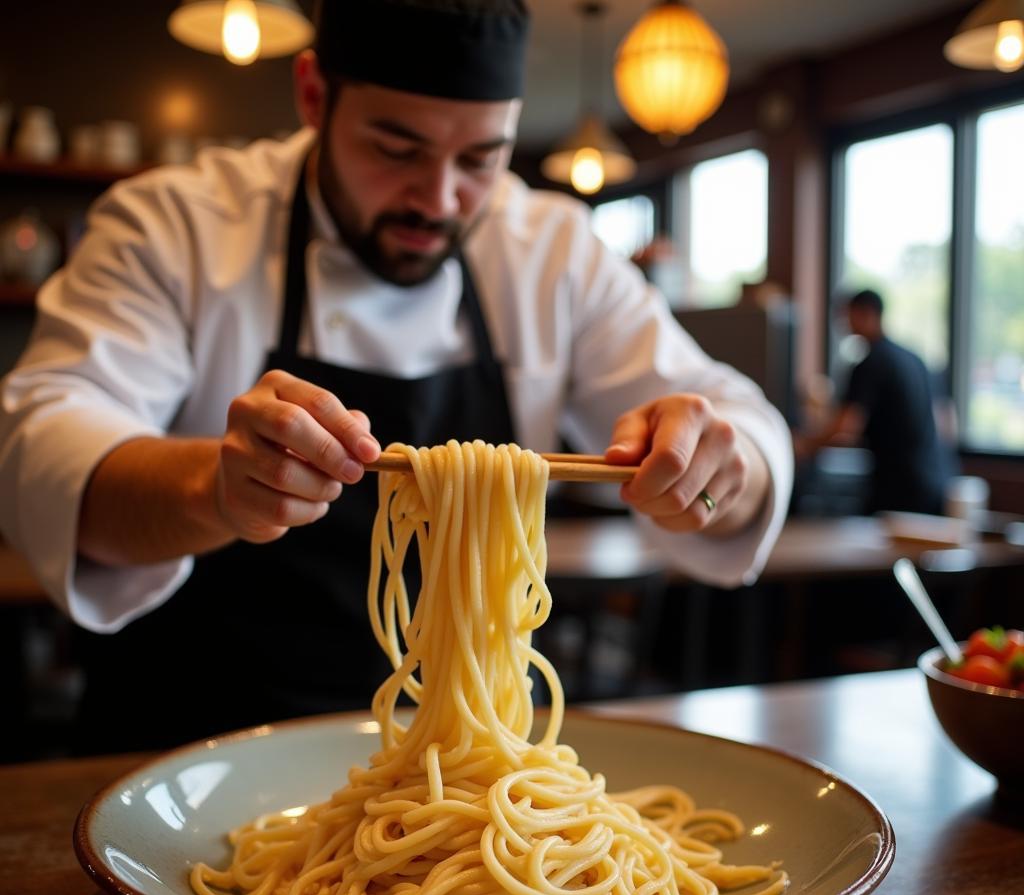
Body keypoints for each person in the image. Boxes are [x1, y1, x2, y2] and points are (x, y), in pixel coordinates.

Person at [0, 0, 792, 753]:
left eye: (482, 157)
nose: (440, 199)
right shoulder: (175, 226)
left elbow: (733, 420)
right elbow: (42, 446)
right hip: (191, 747)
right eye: (396, 148)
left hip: (475, 779)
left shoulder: (551, 249)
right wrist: (213, 486)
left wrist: (721, 470)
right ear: (314, 95)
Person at [795, 289, 949, 515]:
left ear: (864, 313)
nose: (844, 324)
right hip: (935, 481)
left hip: (899, 487)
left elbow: (846, 427)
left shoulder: (871, 363)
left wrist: (805, 445)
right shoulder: (913, 358)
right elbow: (945, 421)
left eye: (847, 316)